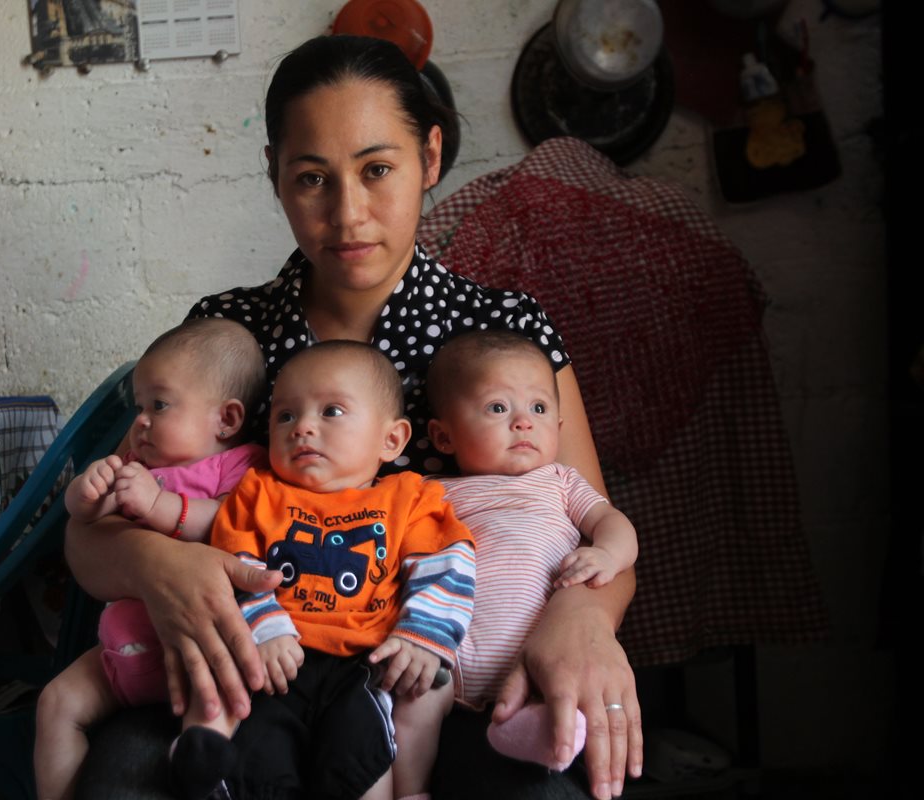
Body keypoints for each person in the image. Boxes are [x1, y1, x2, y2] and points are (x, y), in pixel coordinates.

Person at [66, 34, 642, 800]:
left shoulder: (503, 333)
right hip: (252, 677)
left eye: (378, 170)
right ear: (274, 174)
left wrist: (583, 617)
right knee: (123, 781)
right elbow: (93, 532)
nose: (348, 214)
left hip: (446, 680)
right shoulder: (229, 336)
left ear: (430, 159)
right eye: (312, 178)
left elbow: (596, 536)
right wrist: (156, 563)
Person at [197, 341, 473, 800]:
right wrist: (264, 629)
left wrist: (421, 636)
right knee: (255, 766)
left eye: (332, 412)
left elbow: (446, 562)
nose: (302, 427)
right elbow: (235, 565)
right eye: (285, 416)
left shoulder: (408, 497)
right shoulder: (258, 492)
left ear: (392, 439)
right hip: (276, 663)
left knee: (361, 764)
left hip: (363, 666)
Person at [34, 318, 268, 800]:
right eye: (138, 406)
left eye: (158, 405)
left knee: (209, 709)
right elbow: (87, 525)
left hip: (198, 647)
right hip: (121, 649)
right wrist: (88, 494)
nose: (140, 422)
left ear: (226, 419)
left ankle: (196, 756)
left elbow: (234, 523)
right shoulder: (139, 468)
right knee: (56, 702)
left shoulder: (242, 465)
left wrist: (159, 506)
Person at [411, 330, 638, 775]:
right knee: (408, 712)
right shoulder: (428, 493)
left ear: (557, 426)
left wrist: (608, 555)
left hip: (533, 657)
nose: (523, 422)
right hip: (443, 662)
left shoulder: (559, 482)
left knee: (547, 709)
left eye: (538, 408)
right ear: (443, 437)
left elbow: (612, 522)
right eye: (498, 408)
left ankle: (533, 735)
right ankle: (409, 784)